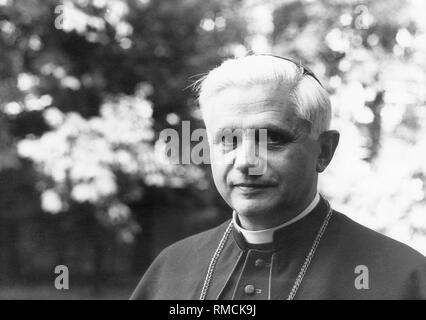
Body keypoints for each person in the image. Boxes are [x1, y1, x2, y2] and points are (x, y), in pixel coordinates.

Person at [130, 55, 426, 300]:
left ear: (324, 151)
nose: (246, 161)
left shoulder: (404, 278)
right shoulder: (170, 269)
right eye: (228, 140)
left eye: (272, 138)